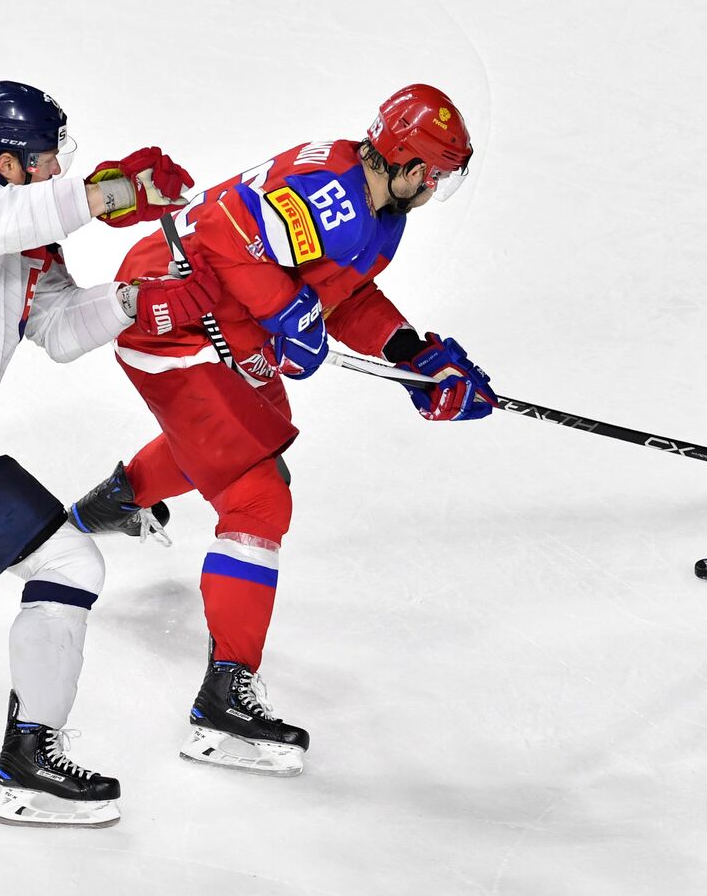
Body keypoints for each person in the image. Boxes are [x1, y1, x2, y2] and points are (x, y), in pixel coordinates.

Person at [66, 84, 497, 776]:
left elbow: (343, 290)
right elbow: (227, 236)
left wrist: (408, 352)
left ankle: (122, 497)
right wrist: (290, 313)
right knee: (257, 491)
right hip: (175, 310)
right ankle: (222, 701)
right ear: (413, 166)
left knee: (248, 435)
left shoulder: (375, 203)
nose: (435, 187)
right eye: (437, 175)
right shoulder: (335, 193)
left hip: (220, 310)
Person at [0, 79, 219, 826]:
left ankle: (31, 761)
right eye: (43, 158)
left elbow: (60, 330)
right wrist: (117, 191)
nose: (52, 169)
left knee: (71, 561)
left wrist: (139, 298)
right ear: (3, 163)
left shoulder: (27, 231)